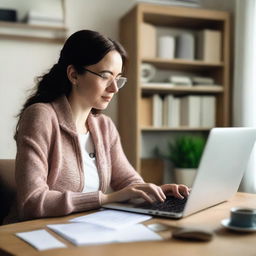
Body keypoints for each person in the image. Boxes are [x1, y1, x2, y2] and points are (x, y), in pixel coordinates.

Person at [5, 30, 190, 224]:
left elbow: (129, 182)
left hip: (85, 228)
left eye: (118, 78)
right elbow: (32, 202)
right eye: (105, 76)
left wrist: (156, 191)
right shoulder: (41, 116)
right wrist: (106, 198)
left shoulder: (104, 126)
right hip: (33, 234)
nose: (114, 88)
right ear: (74, 74)